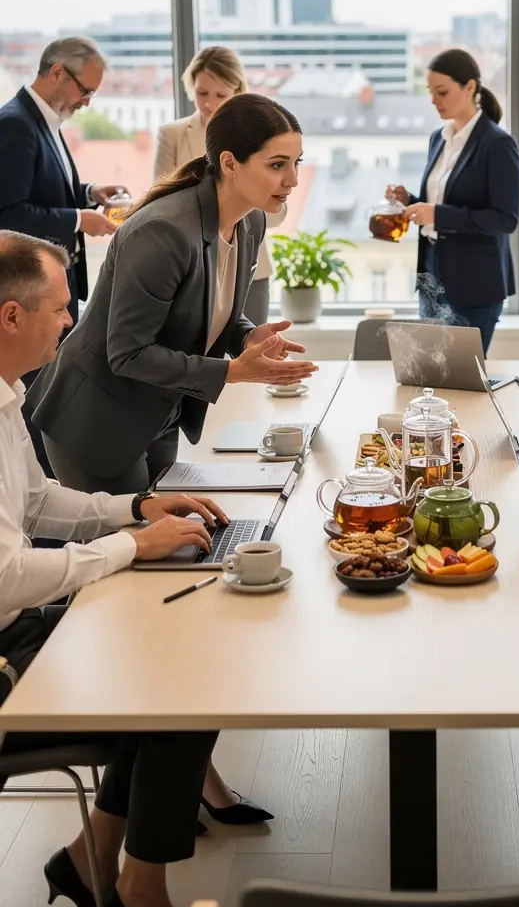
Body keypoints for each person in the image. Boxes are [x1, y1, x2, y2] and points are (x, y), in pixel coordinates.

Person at [30, 94, 317, 826]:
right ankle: (148, 800)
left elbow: (213, 315)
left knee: (174, 609)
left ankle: (185, 778)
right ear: (229, 163)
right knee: (143, 620)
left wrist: (251, 341)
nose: (291, 180)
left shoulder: (246, 222)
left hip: (156, 419)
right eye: (276, 165)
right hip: (96, 427)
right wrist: (233, 375)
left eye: (297, 164)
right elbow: (127, 352)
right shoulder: (159, 231)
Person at [0, 229, 228, 907]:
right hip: (6, 664)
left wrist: (136, 506)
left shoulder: (7, 393)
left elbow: (38, 500)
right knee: (178, 689)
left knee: (183, 651)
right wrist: (132, 547)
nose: (72, 322)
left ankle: (92, 858)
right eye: (61, 308)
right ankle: (135, 884)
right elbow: (8, 577)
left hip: (18, 630)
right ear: (11, 317)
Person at [0, 36, 128, 470]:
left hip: (54, 292)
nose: (87, 103)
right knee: (36, 409)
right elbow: (9, 212)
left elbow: (46, 189)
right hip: (31, 295)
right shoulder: (14, 124)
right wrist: (79, 219)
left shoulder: (42, 120)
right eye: (84, 90)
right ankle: (39, 505)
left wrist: (89, 194)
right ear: (56, 72)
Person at [386, 48, 519, 354]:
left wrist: (436, 214)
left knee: (462, 381)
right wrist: (410, 200)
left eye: (443, 92)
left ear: (470, 87)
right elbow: (442, 204)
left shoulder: (498, 144)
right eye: (431, 92)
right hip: (432, 274)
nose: (435, 100)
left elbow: (505, 219)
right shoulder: (438, 138)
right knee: (430, 376)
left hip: (475, 283)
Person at [154, 46, 278, 325]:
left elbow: (277, 212)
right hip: (190, 268)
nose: (209, 103)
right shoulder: (171, 135)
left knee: (252, 353)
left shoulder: (263, 138)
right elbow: (160, 204)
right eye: (202, 93)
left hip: (249, 269)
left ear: (238, 91)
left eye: (220, 95)